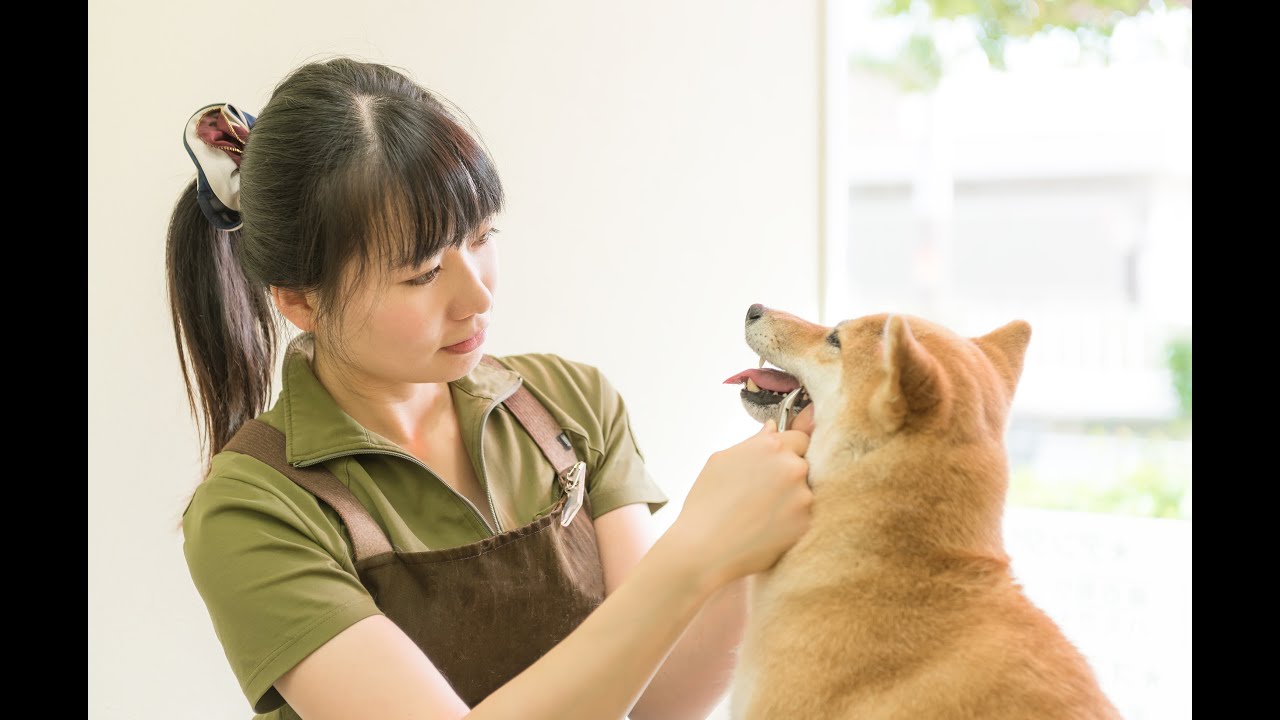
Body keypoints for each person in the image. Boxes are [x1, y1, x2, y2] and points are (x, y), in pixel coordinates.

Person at [170, 56, 816, 720]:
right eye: (421, 274)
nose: (476, 295)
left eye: (481, 238)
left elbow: (656, 703)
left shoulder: (570, 403)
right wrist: (695, 550)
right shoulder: (251, 509)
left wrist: (766, 528)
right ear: (302, 301)